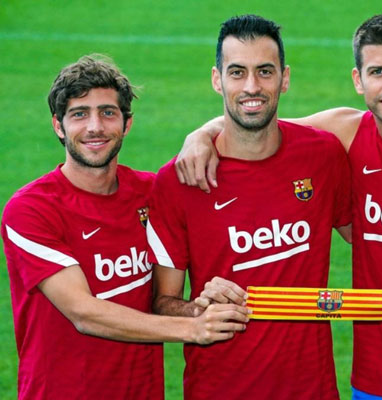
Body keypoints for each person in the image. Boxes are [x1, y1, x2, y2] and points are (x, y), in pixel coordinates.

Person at [177, 14, 382, 399]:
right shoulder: (347, 133)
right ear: (358, 80)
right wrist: (201, 135)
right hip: (372, 385)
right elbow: (256, 119)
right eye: (378, 72)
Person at [1, 55, 249, 400]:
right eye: (79, 114)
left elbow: (163, 297)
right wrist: (192, 328)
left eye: (107, 112)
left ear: (126, 123)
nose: (95, 127)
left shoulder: (152, 193)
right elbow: (83, 313)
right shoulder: (31, 210)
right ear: (58, 126)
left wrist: (202, 134)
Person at [145, 15, 351, 399]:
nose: (252, 87)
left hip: (312, 389)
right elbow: (163, 302)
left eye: (265, 72)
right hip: (218, 389)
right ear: (217, 79)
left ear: (284, 79)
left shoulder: (323, 156)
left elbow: (373, 240)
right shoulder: (179, 180)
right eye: (237, 72)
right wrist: (198, 311)